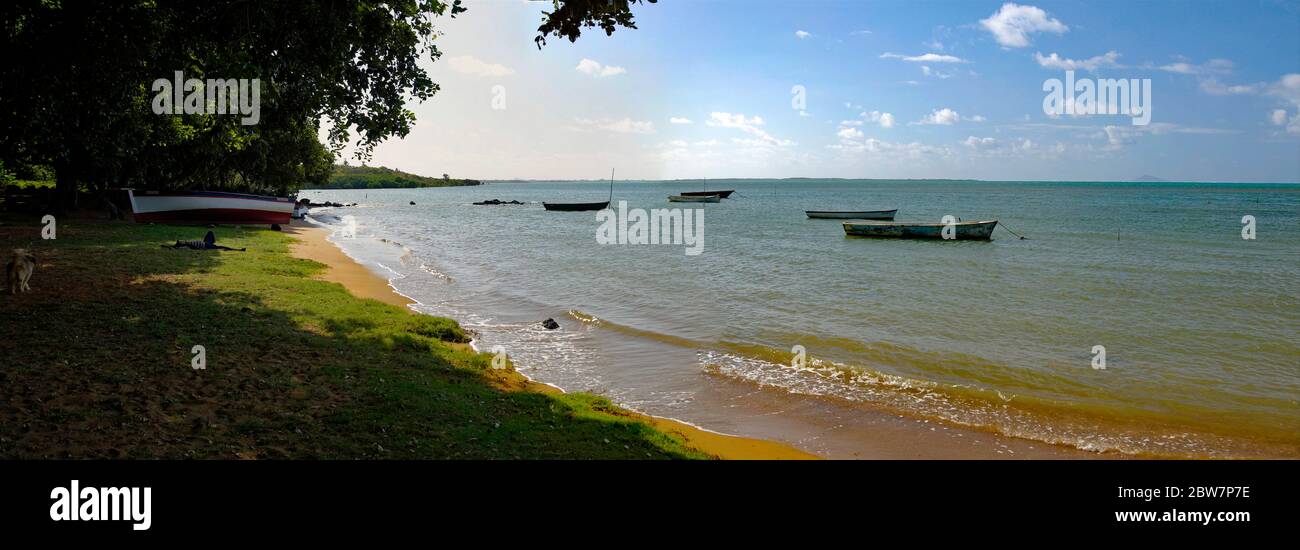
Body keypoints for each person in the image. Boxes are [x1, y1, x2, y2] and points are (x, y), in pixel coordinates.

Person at [163, 230, 246, 251]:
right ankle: (238, 249)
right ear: (181, 244)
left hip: (206, 242)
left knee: (210, 232)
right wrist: (171, 248)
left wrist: (165, 246)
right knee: (221, 247)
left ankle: (213, 242)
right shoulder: (187, 246)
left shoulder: (186, 243)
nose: (182, 241)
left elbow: (173, 246)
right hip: (206, 246)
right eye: (181, 242)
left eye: (181, 240)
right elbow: (176, 248)